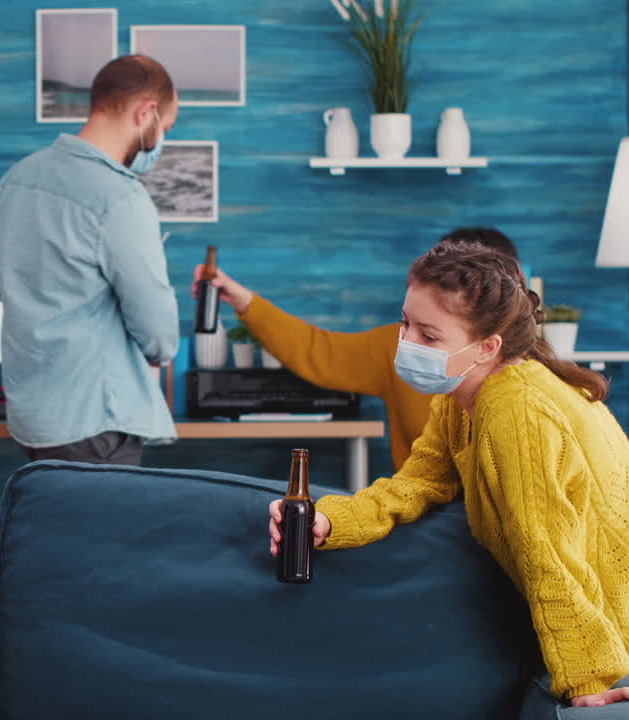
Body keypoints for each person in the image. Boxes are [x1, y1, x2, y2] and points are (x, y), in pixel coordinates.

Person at [265, 242, 629, 707]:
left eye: (429, 336)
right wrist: (330, 520)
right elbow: (418, 481)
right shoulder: (464, 395)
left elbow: (547, 554)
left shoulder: (517, 412)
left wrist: (588, 682)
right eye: (405, 324)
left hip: (609, 642)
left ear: (488, 346)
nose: (407, 342)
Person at [0, 55, 180, 466]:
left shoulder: (15, 181)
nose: (160, 140)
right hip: (96, 417)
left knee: (52, 509)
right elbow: (157, 333)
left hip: (33, 416)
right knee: (102, 513)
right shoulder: (120, 196)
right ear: (146, 112)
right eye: (165, 127)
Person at [196, 228, 518, 471]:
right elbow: (319, 351)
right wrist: (242, 300)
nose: (409, 342)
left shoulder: (527, 397)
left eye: (431, 336)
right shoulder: (398, 346)